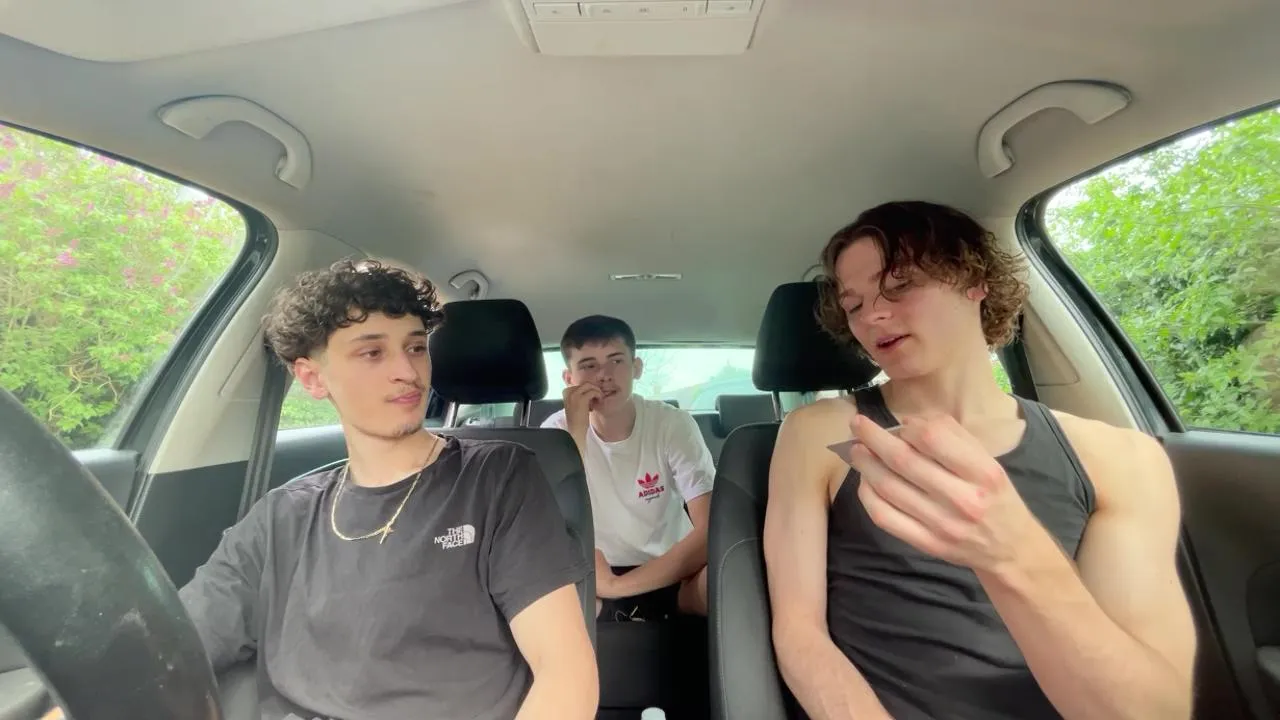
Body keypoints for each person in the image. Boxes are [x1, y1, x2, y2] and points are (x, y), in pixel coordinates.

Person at [43, 259, 597, 720]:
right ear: (311, 377)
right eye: (372, 352)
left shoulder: (498, 478)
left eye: (415, 347)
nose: (407, 372)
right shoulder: (282, 515)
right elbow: (168, 652)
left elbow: (565, 673)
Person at [763, 201, 1197, 720]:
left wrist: (1012, 552)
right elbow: (799, 632)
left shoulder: (1124, 459)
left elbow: (1151, 712)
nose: (872, 315)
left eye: (900, 285)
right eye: (853, 305)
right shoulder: (820, 432)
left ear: (976, 282)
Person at [541, 315, 716, 619]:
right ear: (569, 378)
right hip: (592, 575)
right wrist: (576, 434)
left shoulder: (672, 424)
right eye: (588, 365)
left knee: (722, 581)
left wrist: (618, 587)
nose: (604, 375)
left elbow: (710, 529)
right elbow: (548, 526)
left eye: (616, 361)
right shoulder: (554, 431)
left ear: (636, 368)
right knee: (551, 599)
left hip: (675, 569)